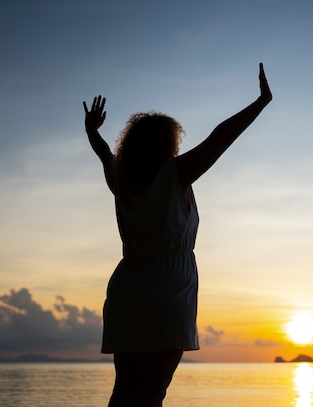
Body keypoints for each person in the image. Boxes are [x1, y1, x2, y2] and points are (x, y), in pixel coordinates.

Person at [83, 63, 272, 407]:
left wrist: (92, 130)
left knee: (124, 392)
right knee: (152, 394)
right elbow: (219, 137)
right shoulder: (176, 173)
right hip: (167, 292)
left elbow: (102, 152)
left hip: (127, 289)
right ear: (168, 143)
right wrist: (260, 103)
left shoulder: (120, 179)